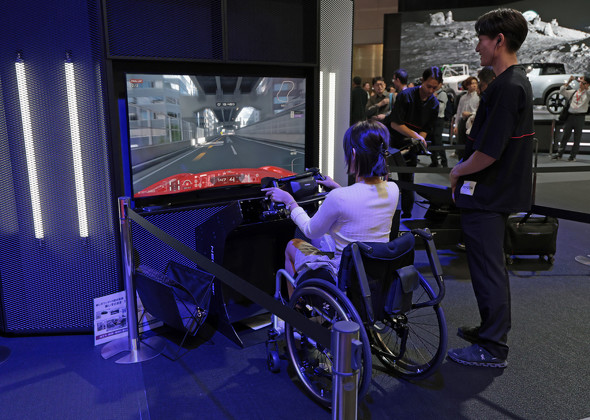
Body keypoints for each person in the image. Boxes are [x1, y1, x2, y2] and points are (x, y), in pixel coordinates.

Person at [448, 8, 534, 368]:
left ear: (499, 40)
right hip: (495, 193)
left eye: (481, 39)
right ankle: (489, 330)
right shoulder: (514, 82)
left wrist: (458, 171)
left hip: (489, 194)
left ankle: (493, 346)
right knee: (489, 267)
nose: (477, 47)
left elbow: (489, 152)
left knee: (488, 269)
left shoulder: (507, 87)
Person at [263, 121, 399, 285]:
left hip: (342, 273)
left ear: (353, 154)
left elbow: (310, 230)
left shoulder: (338, 197)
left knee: (294, 244)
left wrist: (290, 201)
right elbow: (361, 201)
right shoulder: (393, 189)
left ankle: (299, 299)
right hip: (374, 268)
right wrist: (336, 186)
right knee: (325, 236)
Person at [385, 66, 441, 218]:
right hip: (393, 140)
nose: (430, 90)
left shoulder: (434, 104)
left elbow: (426, 128)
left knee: (408, 179)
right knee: (385, 177)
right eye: (428, 86)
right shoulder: (405, 95)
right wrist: (417, 136)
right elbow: (395, 124)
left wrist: (419, 140)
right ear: (422, 81)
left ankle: (407, 214)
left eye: (434, 88)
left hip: (411, 144)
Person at [551, 74, 590, 161]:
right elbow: (562, 91)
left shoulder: (587, 94)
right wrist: (569, 82)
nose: (581, 84)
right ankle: (559, 153)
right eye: (581, 82)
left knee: (577, 138)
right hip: (570, 116)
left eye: (583, 83)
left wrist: (587, 87)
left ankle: (573, 156)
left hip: (580, 117)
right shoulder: (573, 92)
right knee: (565, 136)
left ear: (587, 84)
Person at [453, 76, 480, 160]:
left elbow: (479, 112)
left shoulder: (478, 97)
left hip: (472, 121)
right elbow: (458, 112)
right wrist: (456, 125)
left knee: (470, 143)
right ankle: (460, 161)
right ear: (467, 85)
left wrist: (470, 113)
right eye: (472, 83)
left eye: (475, 83)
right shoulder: (463, 97)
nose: (474, 85)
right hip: (462, 121)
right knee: (460, 143)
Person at [429, 83, 449, 167]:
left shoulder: (442, 94)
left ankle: (444, 162)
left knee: (438, 141)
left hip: (439, 119)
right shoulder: (432, 93)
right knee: (431, 141)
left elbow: (440, 108)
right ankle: (434, 161)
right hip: (431, 119)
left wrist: (433, 98)